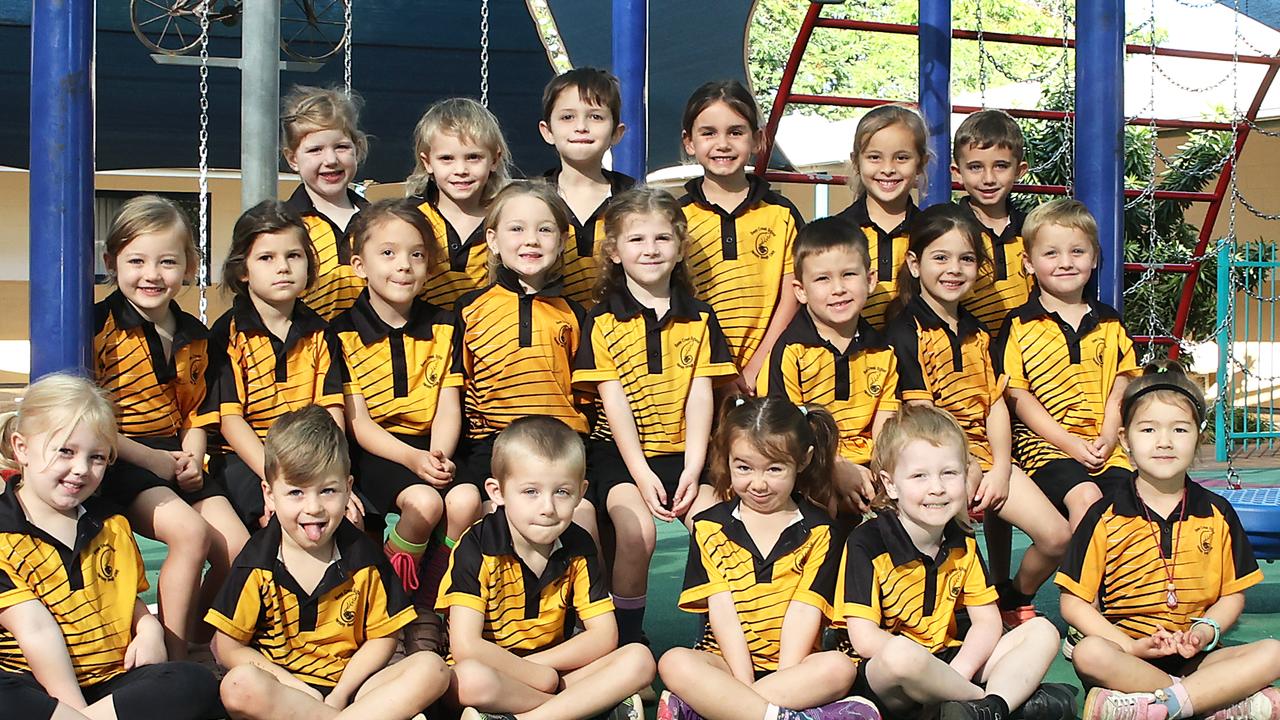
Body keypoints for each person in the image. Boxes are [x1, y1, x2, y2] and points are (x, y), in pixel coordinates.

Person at [1056, 361, 1280, 720]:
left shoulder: (1217, 512)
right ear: (1126, 440)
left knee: (1274, 652)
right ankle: (1212, 703)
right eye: (1148, 429)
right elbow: (1074, 603)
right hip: (1131, 659)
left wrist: (1206, 630)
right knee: (1089, 653)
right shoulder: (1103, 515)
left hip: (1201, 658)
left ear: (1198, 438)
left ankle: (1159, 706)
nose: (1164, 441)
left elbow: (1231, 595)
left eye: (1179, 429)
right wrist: (1129, 644)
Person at [885, 204, 1069, 628]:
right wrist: (962, 467)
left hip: (986, 457)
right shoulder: (904, 330)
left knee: (1057, 536)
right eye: (941, 257)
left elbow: (995, 405)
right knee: (960, 554)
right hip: (938, 461)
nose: (954, 269)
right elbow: (924, 417)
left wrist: (1002, 467)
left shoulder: (978, 332)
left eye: (966, 259)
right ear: (914, 263)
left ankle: (1014, 595)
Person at [0, 373, 221, 720]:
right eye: (66, 452)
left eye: (97, 458)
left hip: (109, 682)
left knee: (193, 682)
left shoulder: (111, 524)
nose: (80, 469)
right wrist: (76, 712)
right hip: (36, 687)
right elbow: (35, 630)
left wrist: (148, 631)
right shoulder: (3, 533)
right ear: (21, 448)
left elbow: (124, 598)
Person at [209, 405, 450, 720]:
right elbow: (229, 648)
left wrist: (340, 693)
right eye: (295, 492)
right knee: (238, 685)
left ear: (349, 488)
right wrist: (299, 689)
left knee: (433, 669)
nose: (313, 508)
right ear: (269, 494)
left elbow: (383, 637)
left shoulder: (364, 557)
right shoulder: (255, 563)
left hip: (354, 689)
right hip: (283, 695)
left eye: (328, 491)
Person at [572, 186, 737, 644]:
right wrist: (642, 474)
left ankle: (715, 634)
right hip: (621, 457)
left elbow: (701, 395)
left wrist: (692, 467)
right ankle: (625, 639)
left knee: (716, 522)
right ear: (614, 251)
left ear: (680, 248)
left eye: (662, 239)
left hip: (689, 454)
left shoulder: (700, 318)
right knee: (636, 531)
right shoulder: (602, 319)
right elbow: (613, 401)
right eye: (636, 239)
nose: (650, 250)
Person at [836, 405, 1073, 720]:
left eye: (949, 473)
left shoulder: (961, 539)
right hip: (892, 679)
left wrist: (957, 672)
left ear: (965, 474)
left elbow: (987, 624)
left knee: (1042, 631)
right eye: (919, 475)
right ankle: (994, 706)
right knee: (901, 656)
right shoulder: (867, 542)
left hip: (953, 661)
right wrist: (956, 682)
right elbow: (865, 640)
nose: (937, 487)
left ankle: (979, 709)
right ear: (890, 484)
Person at [94, 195, 250, 657]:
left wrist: (192, 456)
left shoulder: (196, 335)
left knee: (241, 548)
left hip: (178, 454)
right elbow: (88, 419)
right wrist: (154, 460)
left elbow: (197, 410)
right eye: (136, 260)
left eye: (167, 262)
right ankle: (175, 658)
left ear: (189, 266)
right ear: (111, 262)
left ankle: (195, 637)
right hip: (120, 456)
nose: (152, 274)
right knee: (190, 533)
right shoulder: (97, 326)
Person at [657, 396, 873, 720]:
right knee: (674, 662)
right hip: (727, 665)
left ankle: (713, 710)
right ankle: (783, 715)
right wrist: (744, 684)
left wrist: (766, 688)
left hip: (795, 670)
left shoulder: (821, 532)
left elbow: (804, 614)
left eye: (774, 469)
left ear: (803, 460)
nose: (758, 483)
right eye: (743, 468)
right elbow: (722, 611)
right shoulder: (708, 526)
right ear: (726, 458)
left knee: (839, 667)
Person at [440, 416, 655, 720]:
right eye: (531, 491)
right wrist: (542, 678)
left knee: (639, 659)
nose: (547, 508)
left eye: (562, 492)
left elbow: (604, 635)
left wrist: (539, 668)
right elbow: (465, 646)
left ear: (581, 492)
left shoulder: (579, 545)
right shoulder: (476, 546)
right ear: (497, 492)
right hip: (495, 672)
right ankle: (579, 707)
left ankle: (527, 717)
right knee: (466, 680)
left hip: (553, 668)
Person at [329, 198, 481, 606]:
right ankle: (395, 599)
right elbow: (357, 422)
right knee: (424, 502)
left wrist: (437, 453)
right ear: (360, 265)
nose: (403, 265)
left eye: (416, 254)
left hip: (433, 445)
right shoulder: (340, 332)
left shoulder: (445, 325)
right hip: (376, 450)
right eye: (388, 253)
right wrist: (412, 461)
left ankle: (434, 600)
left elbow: (449, 404)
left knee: (466, 500)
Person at [993, 199, 1138, 529]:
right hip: (1044, 446)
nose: (1066, 263)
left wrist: (1108, 435)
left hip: (1102, 444)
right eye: (1051, 253)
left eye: (1077, 252)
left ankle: (1110, 581)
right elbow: (1018, 396)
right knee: (1086, 499)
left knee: (1127, 507)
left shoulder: (1109, 322)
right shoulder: (1019, 325)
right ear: (1028, 263)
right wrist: (1068, 442)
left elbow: (1121, 383)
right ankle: (1075, 582)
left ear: (1095, 257)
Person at [206, 201, 350, 531]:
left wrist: (329, 476)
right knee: (271, 519)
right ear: (243, 270)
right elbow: (230, 421)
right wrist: (276, 481)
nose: (282, 267)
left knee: (352, 516)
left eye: (293, 256)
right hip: (245, 458)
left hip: (310, 455)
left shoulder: (321, 332)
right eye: (266, 258)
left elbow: (331, 414)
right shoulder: (225, 334)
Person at [452, 181, 589, 494]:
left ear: (563, 240)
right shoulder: (469, 310)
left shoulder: (576, 314)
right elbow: (460, 388)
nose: (531, 240)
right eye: (516, 229)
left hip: (563, 445)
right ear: (493, 240)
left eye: (545, 230)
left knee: (584, 521)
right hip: (494, 445)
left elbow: (586, 397)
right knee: (477, 513)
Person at [759, 216, 899, 517]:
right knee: (824, 505)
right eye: (822, 279)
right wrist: (835, 467)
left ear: (870, 280)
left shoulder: (883, 350)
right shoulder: (789, 351)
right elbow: (788, 430)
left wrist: (880, 477)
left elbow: (885, 428)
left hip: (869, 467)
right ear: (800, 290)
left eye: (849, 275)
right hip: (811, 464)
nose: (838, 289)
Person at [678, 80, 803, 395]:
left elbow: (792, 296)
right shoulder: (675, 219)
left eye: (735, 132)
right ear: (689, 142)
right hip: (696, 374)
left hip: (766, 370)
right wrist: (714, 373)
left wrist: (756, 366)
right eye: (709, 133)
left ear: (757, 140)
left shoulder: (781, 213)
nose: (723, 144)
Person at [538, 67, 636, 306]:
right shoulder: (531, 202)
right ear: (547, 131)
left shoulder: (635, 203)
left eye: (596, 117)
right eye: (567, 117)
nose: (581, 126)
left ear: (616, 133)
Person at [408, 97, 512, 309]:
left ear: (494, 159)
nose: (461, 170)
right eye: (447, 158)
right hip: (425, 338)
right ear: (427, 162)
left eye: (473, 157)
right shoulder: (409, 218)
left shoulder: (508, 218)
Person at [281, 85, 371, 321]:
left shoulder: (377, 222)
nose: (330, 160)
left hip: (370, 352)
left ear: (357, 150)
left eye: (341, 147)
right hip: (306, 351)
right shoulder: (283, 225)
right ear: (292, 159)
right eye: (315, 150)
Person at [833, 104, 927, 329]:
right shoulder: (836, 233)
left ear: (921, 163)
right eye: (875, 157)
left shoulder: (931, 233)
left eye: (901, 158)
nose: (888, 169)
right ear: (856, 161)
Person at [951, 109, 1034, 332]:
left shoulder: (1033, 232)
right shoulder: (947, 232)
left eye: (1001, 166)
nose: (988, 179)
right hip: (966, 354)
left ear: (1019, 170)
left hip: (1026, 355)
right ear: (957, 172)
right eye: (976, 167)